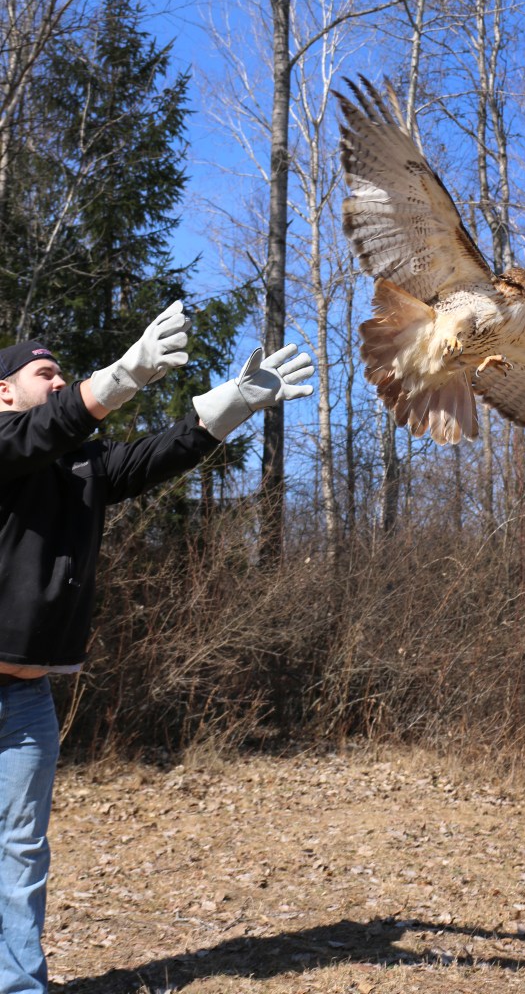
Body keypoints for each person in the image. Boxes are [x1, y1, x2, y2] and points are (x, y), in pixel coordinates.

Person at [0, 302, 314, 993]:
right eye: (45, 373)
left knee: (20, 854)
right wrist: (127, 374)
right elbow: (44, 432)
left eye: (62, 375)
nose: (57, 383)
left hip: (25, 701)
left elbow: (154, 455)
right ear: (4, 392)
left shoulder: (82, 466)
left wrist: (231, 404)